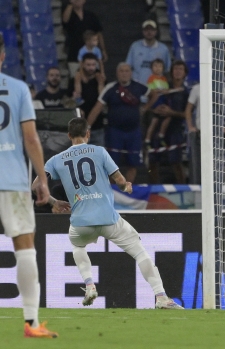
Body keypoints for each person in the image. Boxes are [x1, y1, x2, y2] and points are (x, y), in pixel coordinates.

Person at [33, 118, 183, 310]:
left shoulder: (56, 160)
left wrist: (54, 202)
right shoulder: (99, 152)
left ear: (69, 136)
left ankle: (89, 285)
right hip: (108, 219)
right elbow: (119, 180)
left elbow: (36, 186)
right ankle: (161, 297)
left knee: (77, 246)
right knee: (140, 252)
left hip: (81, 222)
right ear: (88, 133)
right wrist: (126, 185)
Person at [0, 35, 59, 338]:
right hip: (10, 181)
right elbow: (32, 139)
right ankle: (31, 323)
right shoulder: (19, 89)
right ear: (3, 54)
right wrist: (43, 181)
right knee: (24, 249)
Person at [87, 62, 158, 183]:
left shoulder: (138, 86)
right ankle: (113, 192)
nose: (124, 74)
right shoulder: (110, 88)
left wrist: (145, 108)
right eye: (121, 71)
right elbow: (97, 108)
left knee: (133, 164)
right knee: (111, 166)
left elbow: (154, 94)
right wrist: (87, 127)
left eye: (127, 71)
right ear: (117, 73)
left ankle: (126, 191)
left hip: (134, 132)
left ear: (131, 73)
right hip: (114, 132)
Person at [147, 61, 190, 184]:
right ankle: (153, 189)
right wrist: (153, 109)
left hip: (175, 129)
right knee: (152, 161)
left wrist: (172, 112)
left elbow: (186, 114)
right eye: (175, 69)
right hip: (158, 127)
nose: (177, 71)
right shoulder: (163, 86)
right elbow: (150, 104)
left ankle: (182, 188)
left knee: (175, 161)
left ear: (185, 73)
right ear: (171, 72)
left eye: (180, 69)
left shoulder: (186, 92)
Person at [62, 0, 106, 77]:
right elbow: (65, 20)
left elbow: (98, 33)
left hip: (91, 56)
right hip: (74, 54)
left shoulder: (91, 15)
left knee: (93, 80)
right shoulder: (69, 14)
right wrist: (71, 4)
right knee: (76, 78)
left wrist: (103, 50)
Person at [69, 53, 106, 146]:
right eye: (88, 65)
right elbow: (67, 103)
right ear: (82, 65)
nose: (91, 68)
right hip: (79, 129)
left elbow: (105, 103)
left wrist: (101, 84)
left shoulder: (101, 80)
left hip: (98, 127)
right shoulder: (74, 80)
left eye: (93, 65)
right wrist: (73, 99)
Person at [125, 20, 172, 86]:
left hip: (157, 88)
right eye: (146, 30)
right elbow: (127, 67)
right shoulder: (135, 46)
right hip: (138, 86)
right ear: (143, 32)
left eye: (152, 30)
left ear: (156, 31)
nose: (149, 32)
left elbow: (168, 70)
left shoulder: (163, 49)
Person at [144, 58, 170, 148]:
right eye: (155, 66)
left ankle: (161, 135)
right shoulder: (151, 78)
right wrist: (159, 91)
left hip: (163, 101)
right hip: (156, 101)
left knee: (167, 117)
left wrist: (165, 91)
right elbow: (150, 90)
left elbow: (166, 89)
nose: (157, 68)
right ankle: (147, 140)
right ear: (151, 68)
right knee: (154, 121)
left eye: (160, 66)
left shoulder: (164, 79)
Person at [74, 30, 105, 99]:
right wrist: (82, 74)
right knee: (77, 78)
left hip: (94, 69)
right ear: (87, 41)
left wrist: (102, 73)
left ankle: (101, 98)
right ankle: (78, 97)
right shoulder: (82, 50)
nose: (96, 42)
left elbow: (100, 62)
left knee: (100, 79)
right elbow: (81, 64)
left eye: (96, 40)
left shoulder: (97, 50)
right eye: (94, 40)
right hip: (83, 69)